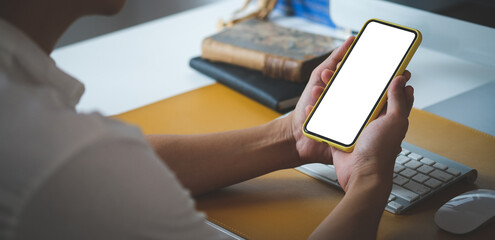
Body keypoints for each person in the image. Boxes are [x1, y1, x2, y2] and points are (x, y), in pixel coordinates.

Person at [0, 0, 414, 239]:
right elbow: (86, 168)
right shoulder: (56, 156)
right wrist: (370, 178)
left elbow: (116, 170)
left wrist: (291, 136)